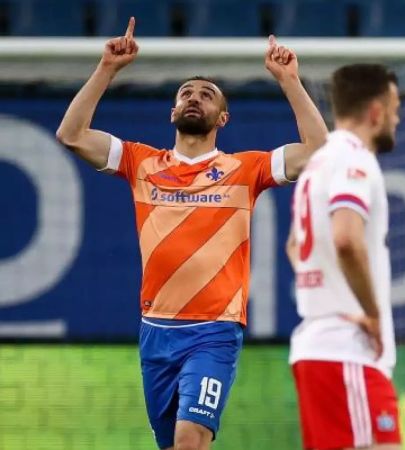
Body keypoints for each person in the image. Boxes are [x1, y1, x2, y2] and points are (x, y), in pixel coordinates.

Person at [55, 18, 328, 450]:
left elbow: (317, 151)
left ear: (223, 116)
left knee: (189, 441)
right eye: (185, 93)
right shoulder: (141, 162)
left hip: (214, 331)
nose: (193, 98)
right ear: (173, 112)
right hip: (155, 331)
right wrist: (106, 69)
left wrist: (289, 80)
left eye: (206, 95)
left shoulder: (245, 169)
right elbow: (70, 135)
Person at [285, 63, 402, 449]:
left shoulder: (316, 163)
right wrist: (371, 312)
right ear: (376, 112)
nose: (397, 119)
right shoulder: (354, 159)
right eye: (395, 108)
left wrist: (325, 290)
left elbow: (292, 246)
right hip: (346, 350)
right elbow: (347, 240)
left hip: (319, 349)